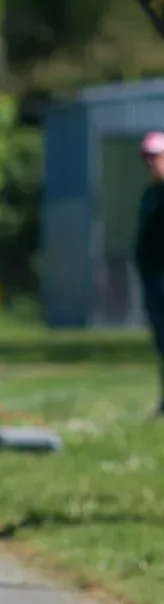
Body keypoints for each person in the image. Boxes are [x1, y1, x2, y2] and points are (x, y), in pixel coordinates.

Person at [136, 131, 164, 414]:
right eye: (147, 157)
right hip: (154, 277)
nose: (151, 162)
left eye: (155, 156)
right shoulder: (150, 194)